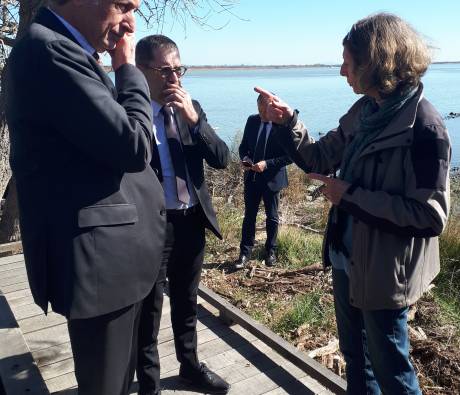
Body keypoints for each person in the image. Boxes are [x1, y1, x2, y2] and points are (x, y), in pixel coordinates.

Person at [257, 13, 450, 395]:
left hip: (385, 273)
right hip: (348, 257)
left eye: (348, 62)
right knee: (355, 359)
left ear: (375, 63)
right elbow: (318, 158)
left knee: (392, 371)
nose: (342, 71)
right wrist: (288, 121)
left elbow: (430, 216)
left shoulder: (424, 128)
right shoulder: (366, 111)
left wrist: (349, 196)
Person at [5, 2, 166, 395]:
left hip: (117, 262)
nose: (130, 23)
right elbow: (134, 144)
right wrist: (128, 69)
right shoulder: (50, 51)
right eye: (123, 6)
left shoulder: (67, 51)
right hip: (101, 268)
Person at [135, 35, 231, 395]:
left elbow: (221, 158)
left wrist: (195, 121)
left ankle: (189, 368)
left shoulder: (192, 109)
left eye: (179, 69)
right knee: (149, 310)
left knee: (187, 301)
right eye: (165, 71)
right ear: (142, 71)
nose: (175, 79)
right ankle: (149, 385)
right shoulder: (133, 113)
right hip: (151, 227)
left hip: (190, 220)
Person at [234, 94, 292, 269]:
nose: (260, 114)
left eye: (263, 111)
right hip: (252, 177)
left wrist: (266, 164)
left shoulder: (282, 125)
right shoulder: (252, 121)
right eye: (258, 110)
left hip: (273, 179)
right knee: (249, 216)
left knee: (272, 217)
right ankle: (244, 253)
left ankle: (271, 251)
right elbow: (243, 146)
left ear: (272, 107)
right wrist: (245, 158)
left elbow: (289, 156)